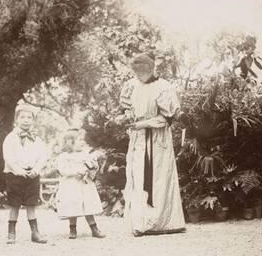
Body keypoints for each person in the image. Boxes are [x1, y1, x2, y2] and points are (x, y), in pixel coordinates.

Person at [119, 53, 186, 236]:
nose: (139, 75)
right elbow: (126, 106)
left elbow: (166, 118)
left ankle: (161, 223)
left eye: (142, 72)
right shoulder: (132, 85)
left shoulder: (163, 87)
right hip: (138, 138)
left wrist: (142, 124)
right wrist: (128, 116)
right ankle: (140, 222)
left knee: (157, 178)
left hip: (157, 140)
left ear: (151, 69)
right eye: (136, 72)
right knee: (138, 177)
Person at [2, 104, 49, 244]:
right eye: (22, 117)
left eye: (29, 117)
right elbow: (8, 157)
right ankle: (11, 233)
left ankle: (35, 233)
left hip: (32, 175)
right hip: (15, 175)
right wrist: (19, 171)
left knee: (31, 204)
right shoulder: (10, 138)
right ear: (17, 120)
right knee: (14, 204)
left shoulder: (37, 139)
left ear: (33, 121)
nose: (26, 120)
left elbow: (43, 157)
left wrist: (36, 169)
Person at [55, 129, 106, 239]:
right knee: (73, 205)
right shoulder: (63, 157)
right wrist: (75, 172)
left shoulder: (85, 155)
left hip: (84, 184)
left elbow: (91, 167)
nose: (82, 142)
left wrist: (92, 168)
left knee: (87, 204)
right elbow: (63, 170)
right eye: (79, 140)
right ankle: (72, 229)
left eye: (82, 140)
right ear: (70, 142)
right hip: (71, 184)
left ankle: (94, 228)